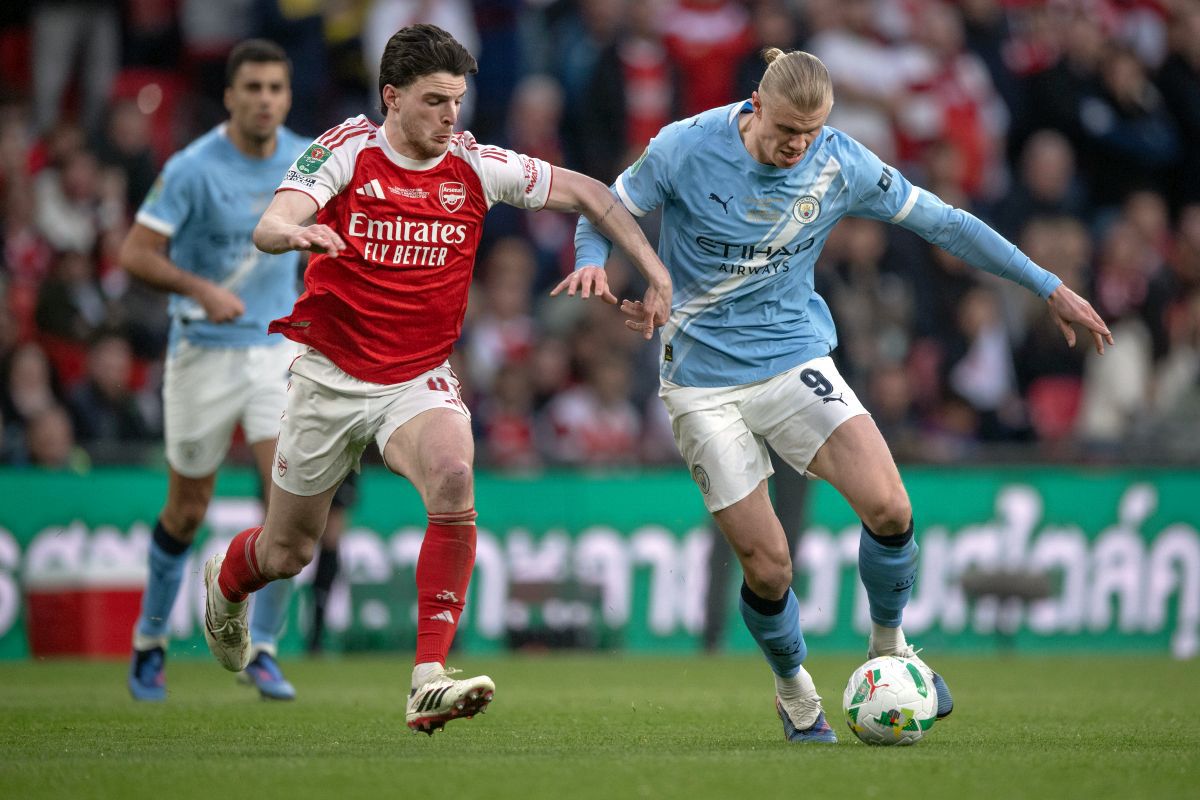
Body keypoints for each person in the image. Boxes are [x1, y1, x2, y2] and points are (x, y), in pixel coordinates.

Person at [555, 48, 1113, 743]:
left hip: (794, 360)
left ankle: (890, 647)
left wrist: (1047, 285)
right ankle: (794, 690)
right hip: (702, 383)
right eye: (788, 130)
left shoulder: (840, 163)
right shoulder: (684, 146)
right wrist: (592, 265)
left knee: (891, 506)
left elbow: (946, 223)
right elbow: (601, 207)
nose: (799, 145)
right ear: (756, 105)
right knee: (770, 567)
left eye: (812, 131)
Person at [200, 24, 671, 735]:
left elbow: (590, 194)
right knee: (287, 552)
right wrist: (295, 233)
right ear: (391, 97)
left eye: (457, 101)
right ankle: (228, 579)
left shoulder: (475, 163)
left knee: (453, 475)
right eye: (434, 101)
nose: (451, 116)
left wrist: (655, 271)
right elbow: (273, 221)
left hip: (416, 376)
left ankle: (427, 677)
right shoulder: (346, 149)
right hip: (330, 374)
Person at [120, 39, 310, 702]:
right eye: (252, 87)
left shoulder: (308, 160)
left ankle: (265, 648)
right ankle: (150, 643)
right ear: (229, 96)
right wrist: (199, 289)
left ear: (288, 96)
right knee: (186, 510)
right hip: (203, 348)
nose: (264, 100)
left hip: (275, 353)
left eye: (275, 88)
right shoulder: (192, 167)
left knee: (288, 504)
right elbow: (136, 253)